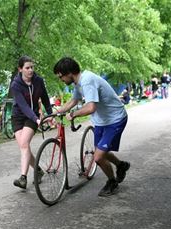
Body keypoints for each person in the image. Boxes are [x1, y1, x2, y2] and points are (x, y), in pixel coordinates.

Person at [53, 57, 130, 197]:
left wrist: (74, 114)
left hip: (115, 119)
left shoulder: (87, 81)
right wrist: (55, 113)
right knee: (101, 152)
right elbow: (73, 101)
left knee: (98, 157)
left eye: (61, 76)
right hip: (102, 120)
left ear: (69, 73)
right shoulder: (78, 83)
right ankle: (121, 165)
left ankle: (112, 182)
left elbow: (91, 107)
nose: (61, 79)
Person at [9, 55, 53, 189]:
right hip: (18, 116)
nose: (30, 70)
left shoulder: (38, 81)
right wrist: (37, 119)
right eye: (27, 68)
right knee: (24, 147)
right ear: (20, 69)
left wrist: (50, 114)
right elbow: (22, 105)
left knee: (24, 144)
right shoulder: (16, 84)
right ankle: (38, 171)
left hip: (32, 116)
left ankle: (23, 178)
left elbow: (45, 98)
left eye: (32, 67)